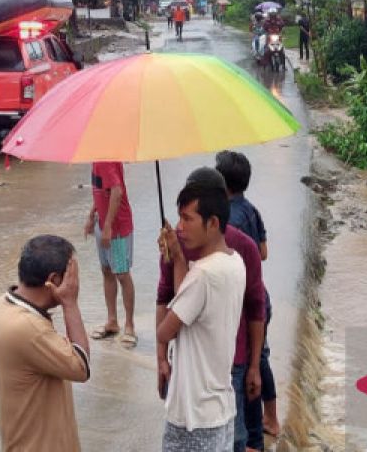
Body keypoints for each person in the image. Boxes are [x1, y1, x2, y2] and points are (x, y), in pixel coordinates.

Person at [157, 168, 248, 452]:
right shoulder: (234, 262)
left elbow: (164, 331)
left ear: (212, 223)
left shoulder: (203, 276)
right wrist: (177, 256)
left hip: (192, 415)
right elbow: (191, 302)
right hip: (218, 409)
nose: (180, 227)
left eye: (188, 219)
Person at [0, 235, 90, 452]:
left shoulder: (2, 305)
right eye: (70, 276)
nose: (75, 283)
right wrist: (70, 303)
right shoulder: (28, 328)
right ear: (54, 280)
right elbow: (81, 366)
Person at [216, 150, 279, 445]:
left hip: (246, 305)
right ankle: (268, 422)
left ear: (221, 182)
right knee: (259, 358)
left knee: (251, 367)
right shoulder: (252, 210)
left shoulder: (230, 222)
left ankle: (258, 432)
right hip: (261, 298)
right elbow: (263, 253)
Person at [84, 161, 136, 348]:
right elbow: (100, 190)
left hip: (117, 227)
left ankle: (129, 324)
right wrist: (92, 216)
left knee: (122, 274)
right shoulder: (97, 160)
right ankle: (112, 320)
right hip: (102, 223)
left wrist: (108, 227)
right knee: (106, 270)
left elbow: (117, 191)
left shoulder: (105, 159)